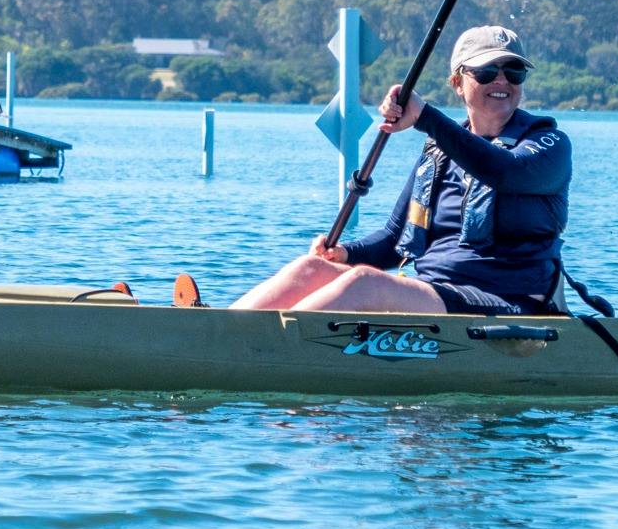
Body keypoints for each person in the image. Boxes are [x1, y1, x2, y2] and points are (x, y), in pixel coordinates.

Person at [230, 25, 571, 317]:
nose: (501, 80)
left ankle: (268, 349)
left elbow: (503, 172)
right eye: (486, 72)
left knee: (365, 283)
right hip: (434, 292)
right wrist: (347, 253)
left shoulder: (549, 144)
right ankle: (217, 332)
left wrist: (425, 118)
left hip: (507, 302)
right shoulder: (439, 150)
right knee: (311, 268)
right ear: (457, 82)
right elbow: (397, 239)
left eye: (513, 72)